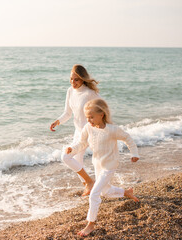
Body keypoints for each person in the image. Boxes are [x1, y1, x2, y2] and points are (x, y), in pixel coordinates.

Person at [63, 98, 140, 237]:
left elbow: (128, 138)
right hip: (97, 164)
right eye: (87, 117)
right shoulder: (88, 128)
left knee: (94, 193)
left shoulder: (112, 130)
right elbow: (82, 144)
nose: (89, 120)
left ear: (102, 115)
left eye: (91, 117)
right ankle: (126, 192)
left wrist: (134, 153)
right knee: (105, 191)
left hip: (109, 166)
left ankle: (90, 224)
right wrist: (72, 149)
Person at [50, 65, 100, 196]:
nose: (73, 82)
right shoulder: (70, 91)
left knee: (66, 157)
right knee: (77, 163)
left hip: (88, 133)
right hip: (77, 131)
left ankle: (89, 182)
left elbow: (102, 110)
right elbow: (67, 113)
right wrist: (57, 121)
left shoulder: (89, 93)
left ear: (83, 79)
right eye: (71, 79)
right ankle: (89, 186)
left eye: (76, 80)